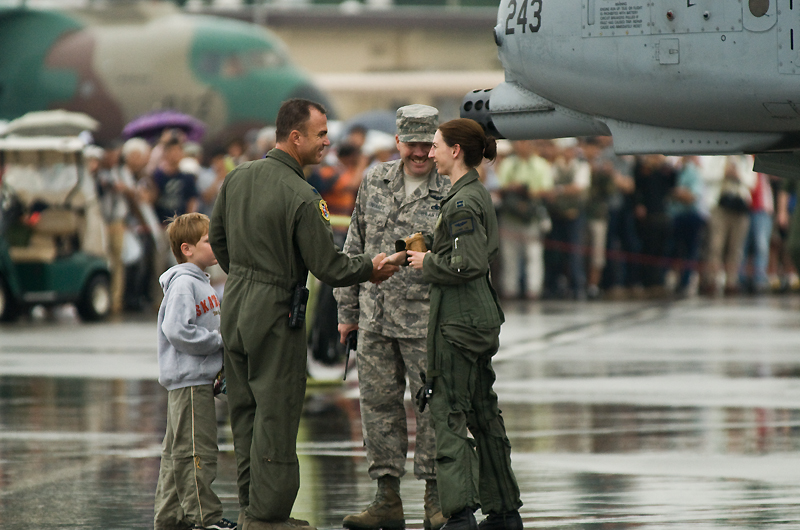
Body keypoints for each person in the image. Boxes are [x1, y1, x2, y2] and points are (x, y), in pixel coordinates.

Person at [208, 98, 399, 530]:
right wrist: (371, 266)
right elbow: (328, 266)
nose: (327, 142)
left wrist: (246, 275)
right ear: (295, 137)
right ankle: (269, 516)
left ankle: (251, 508)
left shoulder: (237, 178)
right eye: (320, 134)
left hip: (235, 305)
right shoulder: (302, 195)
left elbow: (218, 241)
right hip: (275, 311)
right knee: (276, 412)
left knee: (244, 413)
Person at [388, 118, 523, 530]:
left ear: (456, 151)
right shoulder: (471, 194)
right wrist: (420, 250)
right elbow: (467, 250)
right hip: (476, 318)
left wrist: (427, 262)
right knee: (483, 412)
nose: (430, 153)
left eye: (436, 146)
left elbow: (468, 262)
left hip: (459, 322)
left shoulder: (462, 202)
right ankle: (504, 511)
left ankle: (460, 513)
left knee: (448, 412)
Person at [334, 104, 449, 530]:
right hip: (375, 317)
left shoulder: (451, 186)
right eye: (411, 144)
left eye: (427, 145)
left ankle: (436, 497)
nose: (419, 153)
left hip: (426, 321)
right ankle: (386, 498)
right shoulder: (375, 180)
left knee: (432, 408)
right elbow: (354, 246)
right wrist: (347, 312)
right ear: (398, 141)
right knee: (378, 406)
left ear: (437, 144)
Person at [153, 212, 236, 530]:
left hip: (193, 382)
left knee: (176, 452)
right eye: (208, 241)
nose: (216, 245)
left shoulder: (201, 283)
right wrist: (218, 342)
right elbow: (177, 329)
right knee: (196, 450)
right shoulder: (184, 285)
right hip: (190, 382)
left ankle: (170, 517)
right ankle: (204, 517)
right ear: (186, 249)